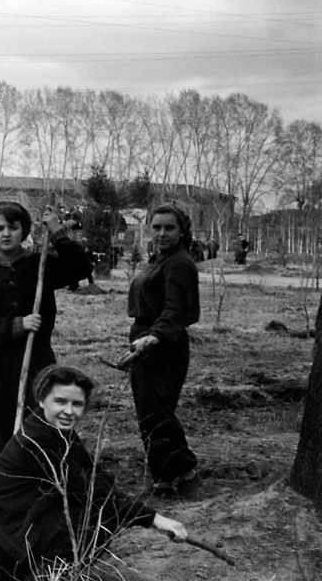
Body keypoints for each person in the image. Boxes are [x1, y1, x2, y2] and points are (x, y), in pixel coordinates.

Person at [0, 365, 188, 581]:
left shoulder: (58, 433)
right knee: (95, 516)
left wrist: (117, 497)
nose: (69, 411)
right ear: (41, 400)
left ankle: (54, 572)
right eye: (60, 401)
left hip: (17, 532)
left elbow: (93, 476)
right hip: (0, 545)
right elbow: (89, 491)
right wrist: (154, 518)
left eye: (77, 404)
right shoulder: (35, 443)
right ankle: (47, 576)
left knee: (97, 509)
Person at [0, 202, 92, 480]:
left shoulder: (39, 265)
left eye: (13, 227)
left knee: (44, 420)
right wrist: (18, 324)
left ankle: (53, 482)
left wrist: (57, 231)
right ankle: (2, 490)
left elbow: (80, 267)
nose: (6, 234)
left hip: (36, 360)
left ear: (24, 231)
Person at [119, 204, 200, 496]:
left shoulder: (179, 263)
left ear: (182, 231)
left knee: (158, 412)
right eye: (157, 227)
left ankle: (184, 471)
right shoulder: (160, 259)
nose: (162, 233)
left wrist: (151, 339)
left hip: (164, 345)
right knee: (149, 412)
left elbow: (175, 311)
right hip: (147, 339)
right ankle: (165, 476)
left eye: (169, 228)